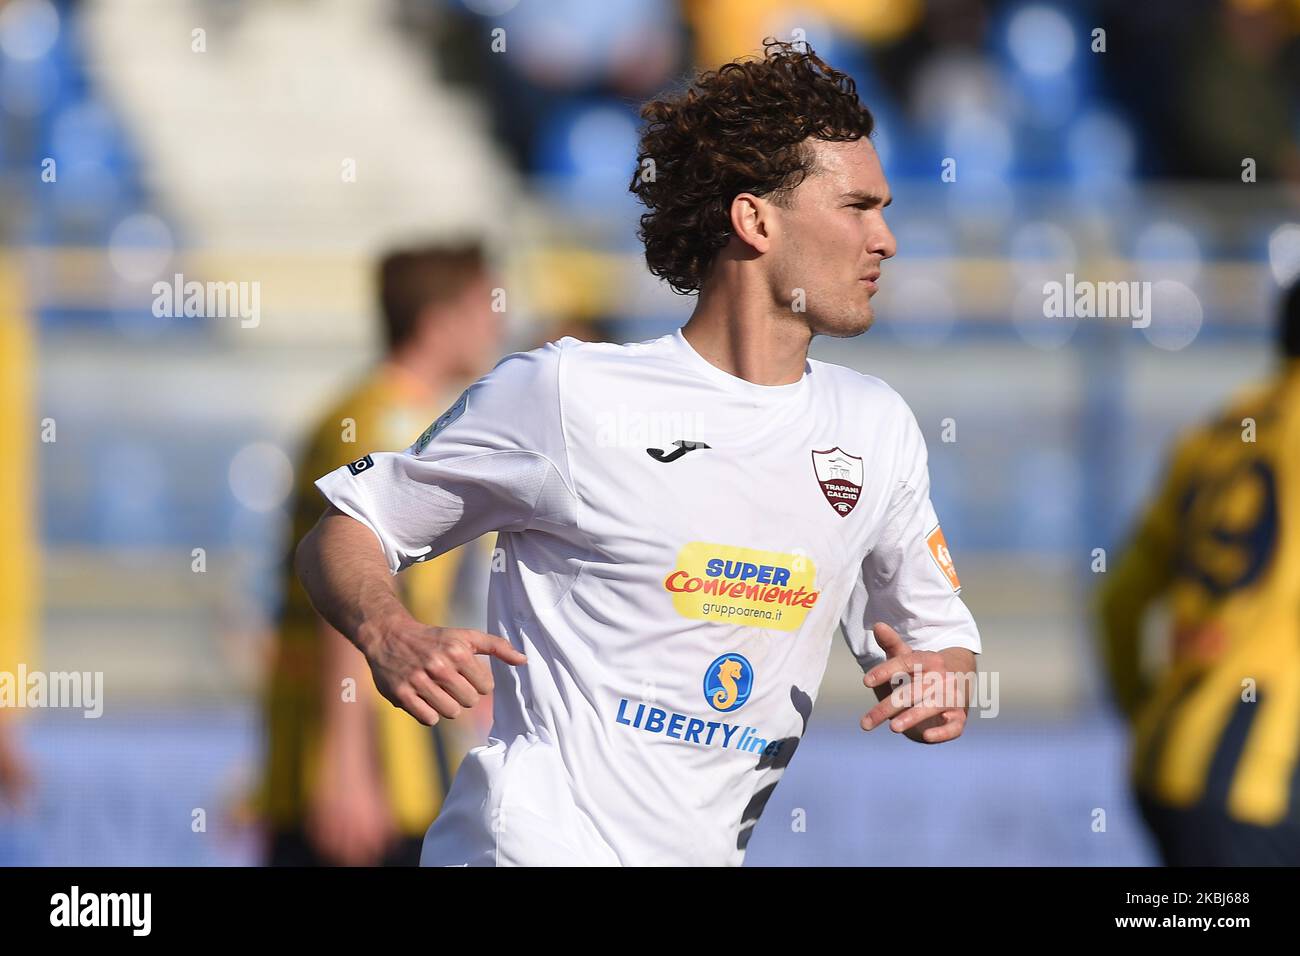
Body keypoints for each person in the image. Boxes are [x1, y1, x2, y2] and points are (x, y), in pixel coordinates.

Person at [295, 41, 981, 866]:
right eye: (858, 207)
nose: (888, 240)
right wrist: (390, 631)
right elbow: (346, 527)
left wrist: (941, 679)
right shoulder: (567, 395)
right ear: (754, 218)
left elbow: (935, 639)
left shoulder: (874, 426)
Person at [262, 243, 501, 866]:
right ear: (440, 318)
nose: (498, 322)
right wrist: (347, 768)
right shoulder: (386, 427)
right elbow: (345, 593)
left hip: (388, 754)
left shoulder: (371, 412)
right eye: (485, 305)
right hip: (376, 769)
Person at [1098, 278, 1300, 866]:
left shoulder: (1214, 434)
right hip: (1261, 782)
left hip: (1167, 756)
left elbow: (1119, 600)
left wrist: (1149, 710)